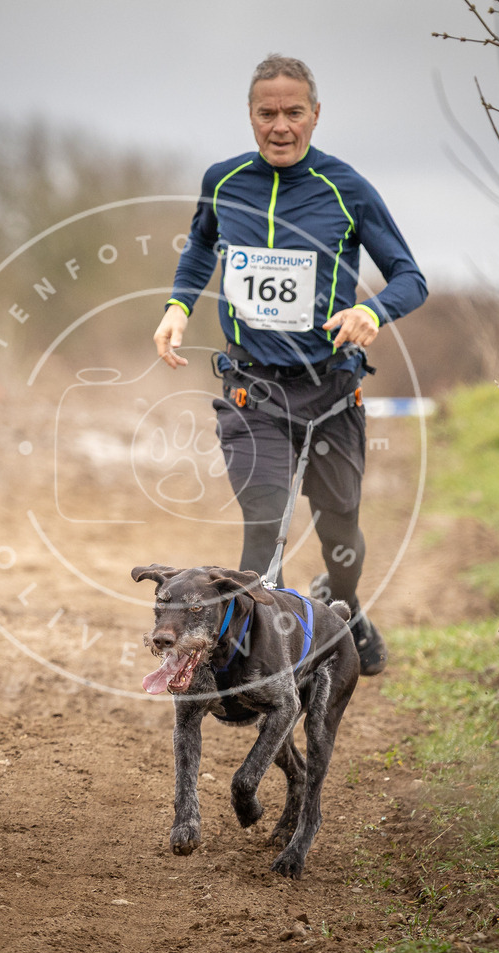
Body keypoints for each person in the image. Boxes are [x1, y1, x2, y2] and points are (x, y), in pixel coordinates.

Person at [152, 54, 427, 675]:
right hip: (252, 392)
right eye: (267, 113)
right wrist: (177, 306)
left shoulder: (346, 188)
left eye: (293, 112)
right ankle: (259, 667)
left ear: (315, 115)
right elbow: (199, 247)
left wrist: (374, 314)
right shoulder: (224, 182)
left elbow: (411, 277)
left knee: (340, 535)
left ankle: (346, 605)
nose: (280, 125)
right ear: (251, 116)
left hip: (332, 393)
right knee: (265, 526)